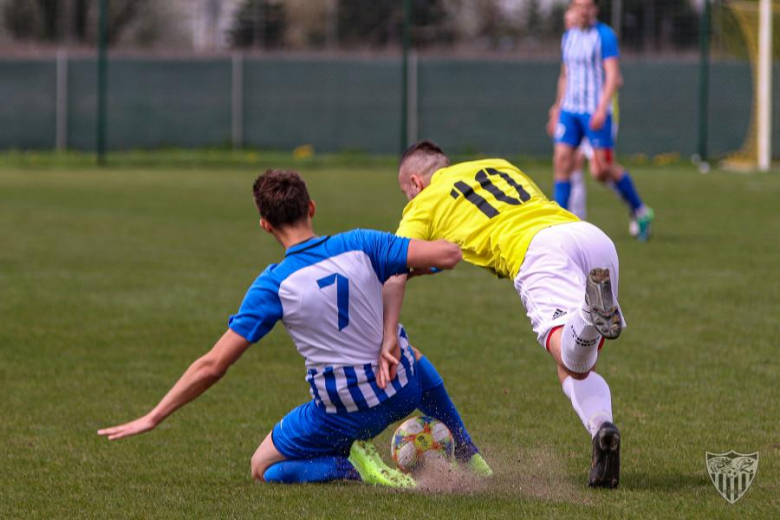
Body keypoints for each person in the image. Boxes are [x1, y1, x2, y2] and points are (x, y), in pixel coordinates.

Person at [98, 169, 491, 486]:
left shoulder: (273, 285)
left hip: (344, 416)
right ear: (312, 208)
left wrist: (153, 416)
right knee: (410, 352)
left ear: (265, 225)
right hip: (403, 391)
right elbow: (447, 255)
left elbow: (212, 365)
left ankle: (351, 466)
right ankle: (466, 449)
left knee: (263, 466)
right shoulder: (362, 243)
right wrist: (402, 267)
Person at [385, 140, 624, 488]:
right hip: (588, 237)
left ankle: (589, 311)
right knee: (577, 367)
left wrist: (387, 331)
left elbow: (395, 266)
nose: (409, 202)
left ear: (416, 183)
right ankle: (602, 428)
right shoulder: (498, 164)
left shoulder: (424, 201)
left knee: (571, 355)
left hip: (537, 250)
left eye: (406, 193)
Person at [547, 0, 653, 240]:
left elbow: (613, 75)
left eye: (587, 6)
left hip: (594, 111)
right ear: (573, 8)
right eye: (578, 6)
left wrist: (601, 109)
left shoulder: (604, 36)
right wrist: (556, 108)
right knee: (562, 160)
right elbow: (565, 75)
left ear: (594, 10)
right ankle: (559, 224)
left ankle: (640, 210)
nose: (582, 11)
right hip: (570, 110)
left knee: (601, 169)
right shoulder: (568, 37)